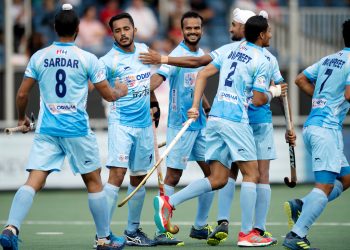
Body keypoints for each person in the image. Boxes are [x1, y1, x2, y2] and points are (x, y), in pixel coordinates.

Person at [140, 8, 295, 246]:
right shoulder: (263, 59)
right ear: (261, 35)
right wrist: (274, 91)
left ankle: (169, 203)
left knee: (218, 178)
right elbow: (258, 99)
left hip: (214, 121)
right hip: (235, 120)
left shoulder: (230, 51)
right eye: (269, 32)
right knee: (253, 174)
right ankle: (247, 234)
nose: (271, 36)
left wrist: (197, 105)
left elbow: (201, 73)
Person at [0, 4, 128, 250]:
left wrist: (20, 119)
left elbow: (21, 94)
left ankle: (11, 227)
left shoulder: (39, 56)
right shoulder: (87, 58)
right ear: (78, 29)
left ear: (55, 28)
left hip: (47, 130)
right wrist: (119, 91)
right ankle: (103, 239)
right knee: (93, 183)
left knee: (33, 181)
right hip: (76, 130)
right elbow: (109, 96)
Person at [282, 19, 350, 250]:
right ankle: (296, 234)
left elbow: (300, 78)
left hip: (315, 126)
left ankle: (301, 204)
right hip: (326, 130)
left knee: (347, 178)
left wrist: (323, 101)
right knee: (325, 187)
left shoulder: (330, 58)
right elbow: (349, 94)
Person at [149, 11, 214, 246]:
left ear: (202, 29)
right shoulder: (176, 55)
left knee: (213, 174)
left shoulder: (201, 53)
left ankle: (199, 226)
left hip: (201, 124)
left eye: (197, 28)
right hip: (181, 125)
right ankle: (161, 228)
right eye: (189, 28)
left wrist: (207, 106)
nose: (193, 31)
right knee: (173, 176)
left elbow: (197, 84)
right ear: (182, 30)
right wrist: (148, 90)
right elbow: (159, 76)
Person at [98, 12, 156, 247]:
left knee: (139, 177)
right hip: (121, 124)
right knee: (117, 175)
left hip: (144, 125)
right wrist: (112, 94)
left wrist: (154, 103)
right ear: (112, 34)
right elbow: (94, 85)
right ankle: (102, 234)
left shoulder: (144, 50)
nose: (123, 33)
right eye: (118, 30)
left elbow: (147, 81)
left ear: (134, 29)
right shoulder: (107, 61)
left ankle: (132, 231)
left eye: (126, 29)